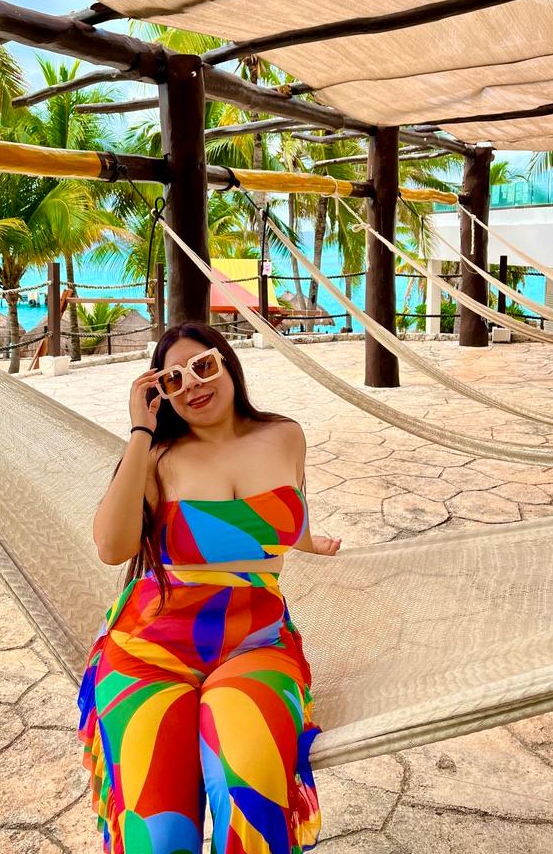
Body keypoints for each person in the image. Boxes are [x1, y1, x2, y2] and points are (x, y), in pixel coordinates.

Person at [78, 322, 342, 854]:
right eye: (173, 380)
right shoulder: (157, 457)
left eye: (202, 366)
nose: (193, 385)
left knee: (250, 793)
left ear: (226, 363)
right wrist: (139, 433)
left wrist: (311, 542)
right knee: (159, 830)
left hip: (255, 643)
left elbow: (291, 513)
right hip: (149, 648)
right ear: (162, 395)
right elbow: (112, 547)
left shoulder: (285, 435)